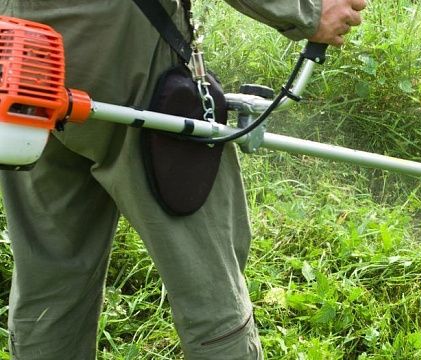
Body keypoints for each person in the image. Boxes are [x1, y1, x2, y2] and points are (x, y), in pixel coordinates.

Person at [0, 0, 365, 358]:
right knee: (205, 269)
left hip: (19, 48)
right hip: (121, 45)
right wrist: (308, 11)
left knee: (50, 270)